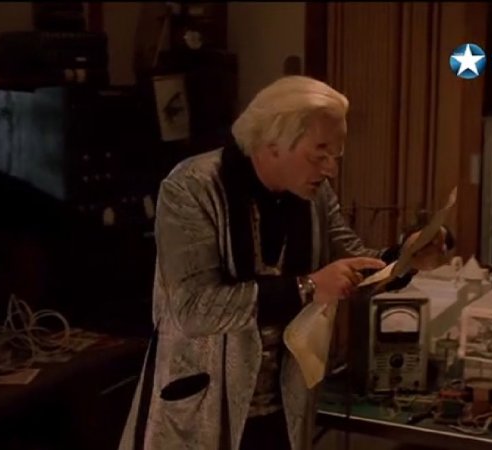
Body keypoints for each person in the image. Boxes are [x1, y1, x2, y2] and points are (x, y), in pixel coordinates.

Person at [118, 75, 452, 450]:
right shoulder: (191, 187)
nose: (331, 169)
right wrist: (307, 287)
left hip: (280, 406)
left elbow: (349, 261)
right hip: (204, 406)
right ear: (273, 141)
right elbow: (194, 308)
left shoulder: (314, 195)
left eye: (336, 155)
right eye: (320, 153)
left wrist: (404, 258)